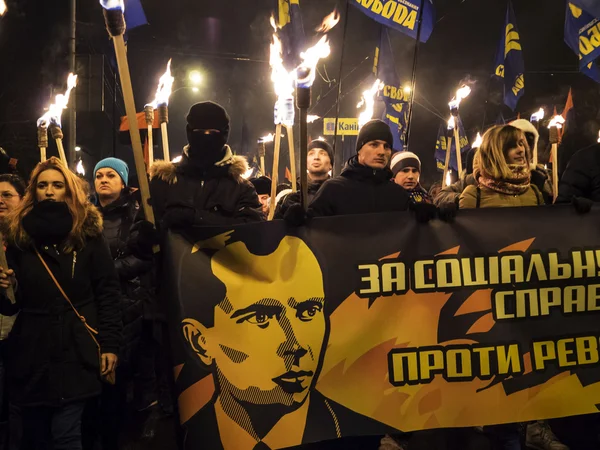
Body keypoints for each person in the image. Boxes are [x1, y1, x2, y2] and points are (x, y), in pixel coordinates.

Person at [181, 234, 396, 450]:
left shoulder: (357, 431)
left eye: (308, 311)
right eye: (261, 318)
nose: (296, 345)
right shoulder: (187, 436)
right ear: (200, 341)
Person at [0, 157, 122, 450]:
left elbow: (107, 292)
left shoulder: (88, 233)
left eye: (57, 185)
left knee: (68, 436)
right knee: (35, 436)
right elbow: (11, 307)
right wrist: (8, 288)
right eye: (42, 185)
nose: (50, 191)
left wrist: (110, 345)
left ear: (69, 191)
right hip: (33, 352)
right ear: (34, 191)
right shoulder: (18, 236)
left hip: (76, 350)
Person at [458, 126, 567, 450]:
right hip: (490, 299)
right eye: (512, 147)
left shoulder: (535, 191)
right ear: (495, 151)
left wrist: (573, 213)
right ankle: (500, 431)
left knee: (532, 363)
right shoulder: (474, 194)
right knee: (499, 366)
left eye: (522, 145)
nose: (521, 151)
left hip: (528, 295)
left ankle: (533, 426)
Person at [83, 158, 164, 450]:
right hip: (95, 305)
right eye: (99, 175)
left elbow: (144, 258)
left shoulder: (138, 214)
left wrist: (103, 271)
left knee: (134, 372)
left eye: (111, 175)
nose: (104, 180)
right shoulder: (84, 215)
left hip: (132, 304)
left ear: (123, 181)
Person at [149, 101, 263, 230]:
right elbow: (143, 224)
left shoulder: (241, 189)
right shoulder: (164, 182)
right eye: (199, 131)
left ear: (225, 134)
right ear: (189, 133)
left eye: (213, 132)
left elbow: (253, 232)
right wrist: (141, 236)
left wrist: (198, 218)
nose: (206, 137)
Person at [307, 120, 434, 222]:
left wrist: (435, 215)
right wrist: (294, 217)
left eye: (387, 147)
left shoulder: (397, 194)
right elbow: (309, 230)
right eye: (374, 144)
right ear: (359, 149)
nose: (381, 152)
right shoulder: (333, 189)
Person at [0, 174, 25, 450]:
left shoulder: (28, 238)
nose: (1, 200)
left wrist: (15, 283)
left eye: (7, 194)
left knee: (17, 403)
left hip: (20, 332)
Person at [274, 139, 334, 219]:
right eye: (311, 154)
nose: (316, 157)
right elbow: (275, 228)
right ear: (305, 163)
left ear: (331, 164)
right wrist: (285, 212)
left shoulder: (338, 193)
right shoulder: (290, 194)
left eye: (322, 154)